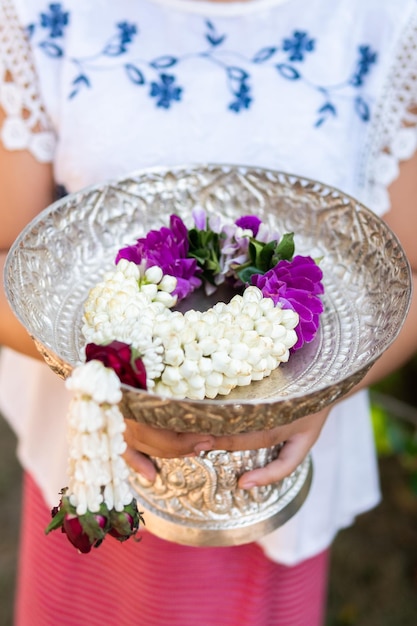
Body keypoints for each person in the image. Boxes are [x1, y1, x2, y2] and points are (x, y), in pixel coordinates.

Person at [1, 0, 416, 624]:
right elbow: (11, 258)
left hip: (279, 476)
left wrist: (314, 394)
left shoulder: (386, 24)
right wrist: (109, 381)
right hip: (95, 457)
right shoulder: (42, 16)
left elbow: (403, 280)